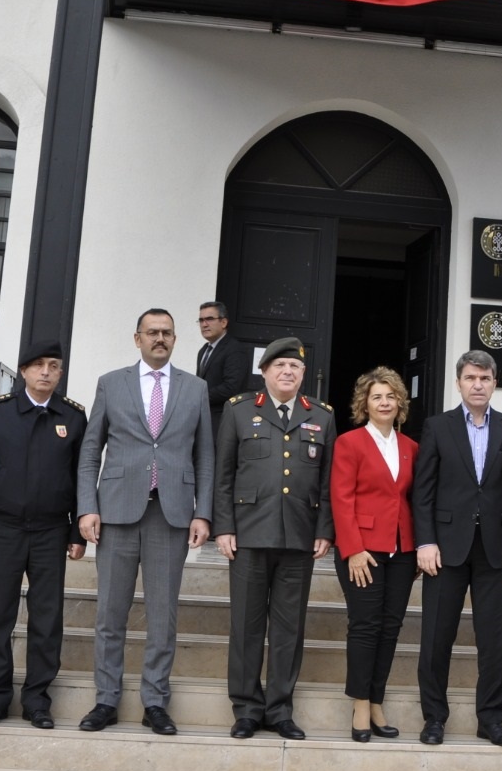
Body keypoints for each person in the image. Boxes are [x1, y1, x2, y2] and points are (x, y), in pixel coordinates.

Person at [75, 309, 213, 736]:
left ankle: (155, 700)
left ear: (175, 339)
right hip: (115, 511)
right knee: (110, 613)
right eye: (151, 333)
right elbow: (90, 450)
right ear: (137, 339)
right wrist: (86, 507)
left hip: (170, 514)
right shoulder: (111, 383)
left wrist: (203, 512)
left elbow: (205, 455)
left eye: (167, 333)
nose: (159, 339)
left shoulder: (196, 388)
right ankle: (106, 699)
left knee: (162, 615)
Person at [0, 339, 87, 730]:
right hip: (2, 529)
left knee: (47, 618)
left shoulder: (74, 417)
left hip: (51, 532)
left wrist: (76, 532)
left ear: (61, 372)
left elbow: (81, 478)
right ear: (24, 372)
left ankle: (37, 699)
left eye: (53, 365)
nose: (46, 372)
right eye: (37, 366)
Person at [213, 337, 335, 740]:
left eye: (295, 367)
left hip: (299, 537)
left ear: (303, 374)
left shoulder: (321, 415)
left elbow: (328, 481)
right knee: (246, 626)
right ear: (264, 371)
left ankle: (280, 709)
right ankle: (247, 708)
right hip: (248, 534)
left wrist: (324, 531)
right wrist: (224, 526)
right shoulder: (239, 411)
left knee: (288, 628)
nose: (287, 372)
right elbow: (223, 474)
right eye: (279, 365)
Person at [412, 350, 502, 748]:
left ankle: (491, 719)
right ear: (459, 383)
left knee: (494, 638)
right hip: (445, 549)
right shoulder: (437, 427)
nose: (478, 384)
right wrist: (425, 541)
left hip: (497, 551)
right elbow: (423, 492)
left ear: (495, 383)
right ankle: (434, 718)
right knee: (436, 636)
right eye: (470, 378)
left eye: (485, 378)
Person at [330, 366, 417, 744]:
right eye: (376, 396)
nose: (384, 402)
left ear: (400, 403)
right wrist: (352, 549)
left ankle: (377, 699)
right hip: (362, 550)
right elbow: (341, 498)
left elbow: (412, 498)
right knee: (365, 627)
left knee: (390, 627)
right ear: (364, 403)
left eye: (390, 396)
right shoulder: (349, 442)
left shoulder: (411, 447)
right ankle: (361, 703)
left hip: (401, 551)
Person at [196, 301, 251, 430]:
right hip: (203, 420)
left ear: (224, 322)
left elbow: (231, 388)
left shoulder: (235, 349)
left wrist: (199, 397)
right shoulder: (204, 350)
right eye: (201, 320)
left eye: (209, 319)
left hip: (222, 422)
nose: (204, 324)